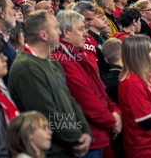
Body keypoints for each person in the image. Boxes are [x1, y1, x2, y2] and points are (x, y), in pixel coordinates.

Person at [8, 10, 92, 158]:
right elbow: (46, 113)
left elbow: (70, 100)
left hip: (68, 147)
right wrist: (77, 137)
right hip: (52, 151)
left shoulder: (52, 62)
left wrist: (85, 130)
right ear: (43, 35)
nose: (60, 32)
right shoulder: (26, 67)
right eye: (55, 28)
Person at [52, 10, 121, 157]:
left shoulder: (77, 54)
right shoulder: (62, 59)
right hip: (88, 137)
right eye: (81, 29)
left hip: (97, 132)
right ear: (66, 31)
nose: (86, 34)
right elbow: (85, 98)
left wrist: (115, 110)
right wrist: (111, 121)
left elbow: (99, 89)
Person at [118, 34, 151, 158]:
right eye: (150, 51)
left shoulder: (145, 75)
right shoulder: (131, 82)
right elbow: (147, 121)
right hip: (143, 149)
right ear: (140, 55)